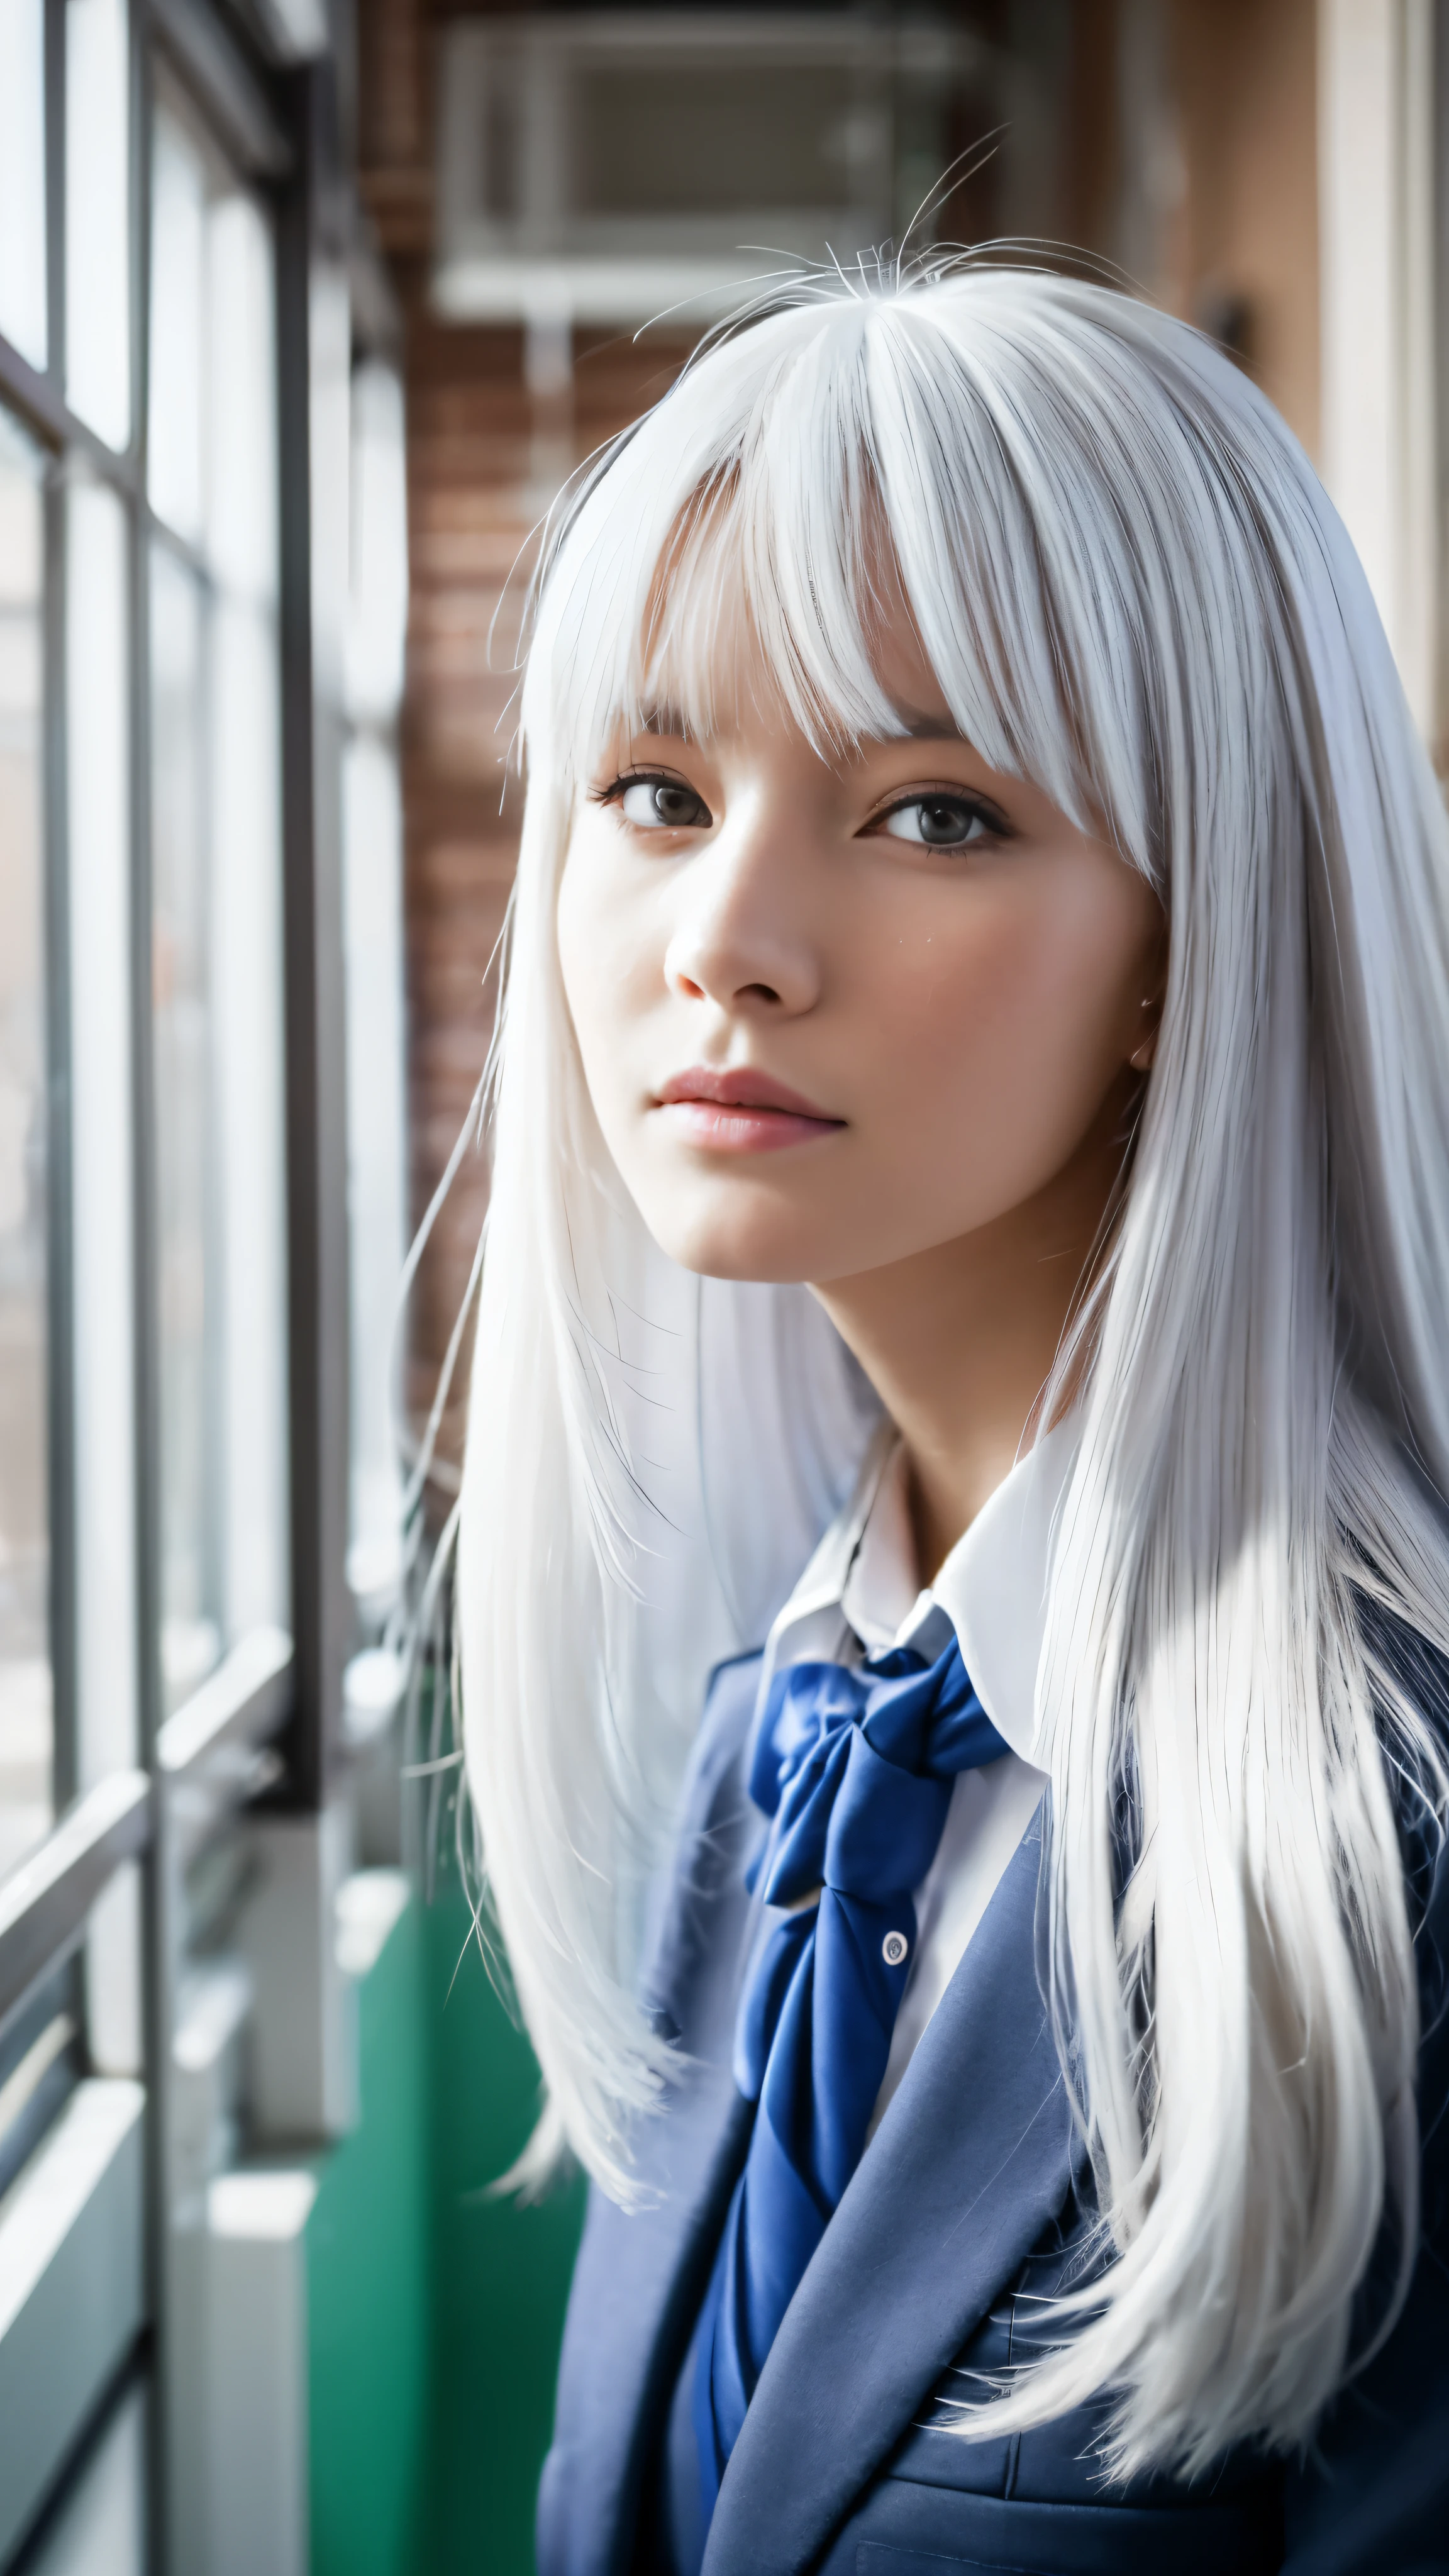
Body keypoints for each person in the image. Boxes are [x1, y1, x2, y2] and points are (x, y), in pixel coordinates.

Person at [455, 265, 1449, 2575]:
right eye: (655, 791)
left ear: (1196, 933)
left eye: (932, 813)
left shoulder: (1402, 1856)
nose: (727, 937)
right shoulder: (778, 1742)